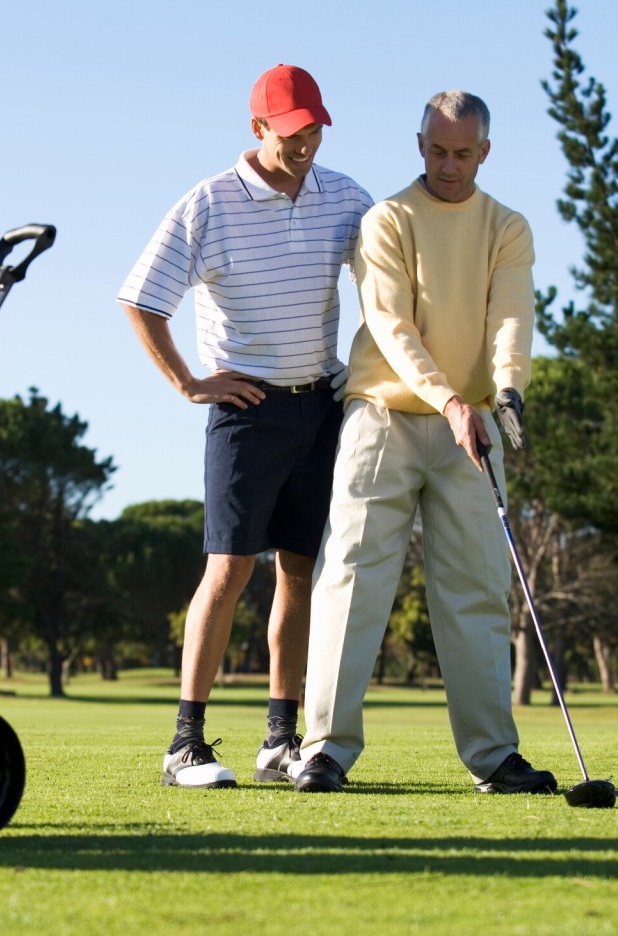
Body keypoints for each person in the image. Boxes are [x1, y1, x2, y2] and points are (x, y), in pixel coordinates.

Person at [292, 90, 557, 795]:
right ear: (419, 146)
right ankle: (323, 750)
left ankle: (494, 756)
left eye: (462, 154)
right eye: (437, 151)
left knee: (475, 589)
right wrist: (446, 399)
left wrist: (505, 390)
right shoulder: (388, 220)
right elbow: (390, 325)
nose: (448, 164)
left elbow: (510, 318)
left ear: (485, 153)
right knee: (351, 581)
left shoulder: (507, 226)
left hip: (471, 425)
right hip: (385, 415)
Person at [117, 64, 373, 788]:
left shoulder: (346, 197)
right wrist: (190, 382)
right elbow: (141, 298)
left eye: (314, 129)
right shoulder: (208, 204)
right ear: (257, 129)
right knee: (228, 570)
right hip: (245, 411)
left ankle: (278, 741)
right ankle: (184, 746)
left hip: (320, 405)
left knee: (299, 573)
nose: (305, 144)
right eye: (292, 132)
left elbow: (389, 283)